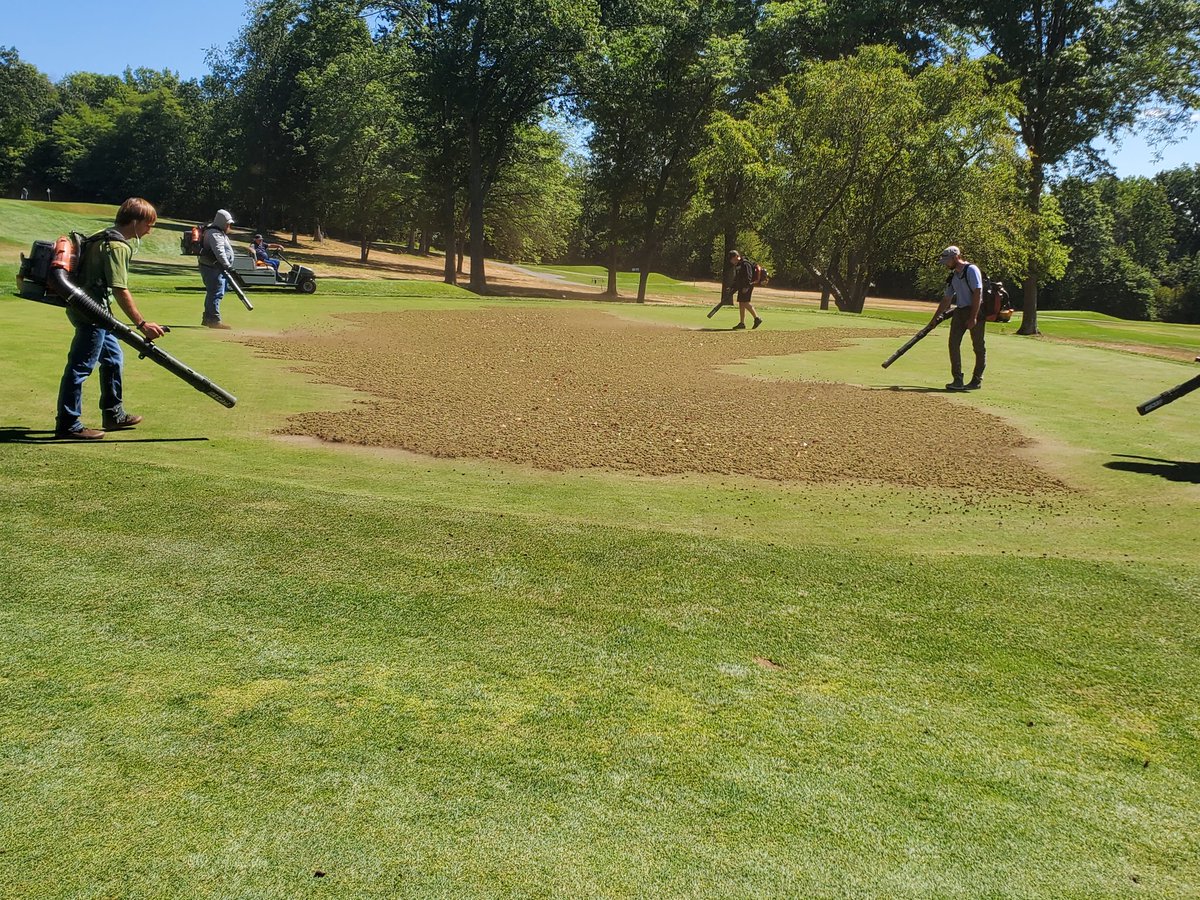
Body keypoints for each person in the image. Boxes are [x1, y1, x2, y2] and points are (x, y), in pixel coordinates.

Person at [54, 198, 167, 440]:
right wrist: (142, 324)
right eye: (149, 224)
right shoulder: (119, 246)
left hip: (89, 309)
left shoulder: (102, 235)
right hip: (92, 313)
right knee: (80, 367)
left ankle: (113, 414)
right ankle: (68, 423)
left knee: (113, 359)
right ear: (135, 222)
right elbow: (120, 289)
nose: (150, 230)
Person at [934, 245, 985, 391]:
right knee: (953, 344)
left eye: (947, 261)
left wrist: (973, 317)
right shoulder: (953, 276)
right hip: (960, 311)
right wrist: (934, 319)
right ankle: (957, 379)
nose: (946, 264)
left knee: (978, 347)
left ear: (956, 257)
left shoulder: (971, 270)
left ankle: (976, 380)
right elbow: (946, 299)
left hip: (975, 311)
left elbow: (977, 293)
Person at [198, 209, 236, 329]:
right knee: (216, 292)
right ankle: (214, 320)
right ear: (222, 223)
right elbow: (219, 251)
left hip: (214, 267)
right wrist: (227, 265)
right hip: (213, 267)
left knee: (214, 291)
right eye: (228, 223)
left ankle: (208, 318)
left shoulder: (216, 232)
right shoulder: (215, 234)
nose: (229, 226)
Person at [725, 250, 763, 330]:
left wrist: (746, 287)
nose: (732, 262)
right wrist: (732, 287)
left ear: (736, 257)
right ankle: (742, 323)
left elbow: (748, 276)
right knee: (741, 303)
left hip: (747, 286)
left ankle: (757, 318)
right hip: (742, 287)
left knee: (745, 303)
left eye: (732, 259)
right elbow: (737, 278)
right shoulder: (738, 265)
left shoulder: (745, 264)